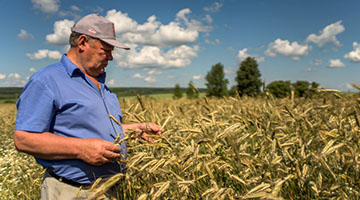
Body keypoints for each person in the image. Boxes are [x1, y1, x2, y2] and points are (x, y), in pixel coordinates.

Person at [14, 13, 164, 199]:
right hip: (71, 191)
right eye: (105, 50)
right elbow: (23, 138)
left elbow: (90, 129)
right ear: (83, 42)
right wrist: (81, 149)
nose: (111, 58)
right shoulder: (46, 81)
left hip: (110, 190)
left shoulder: (101, 86)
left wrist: (133, 130)